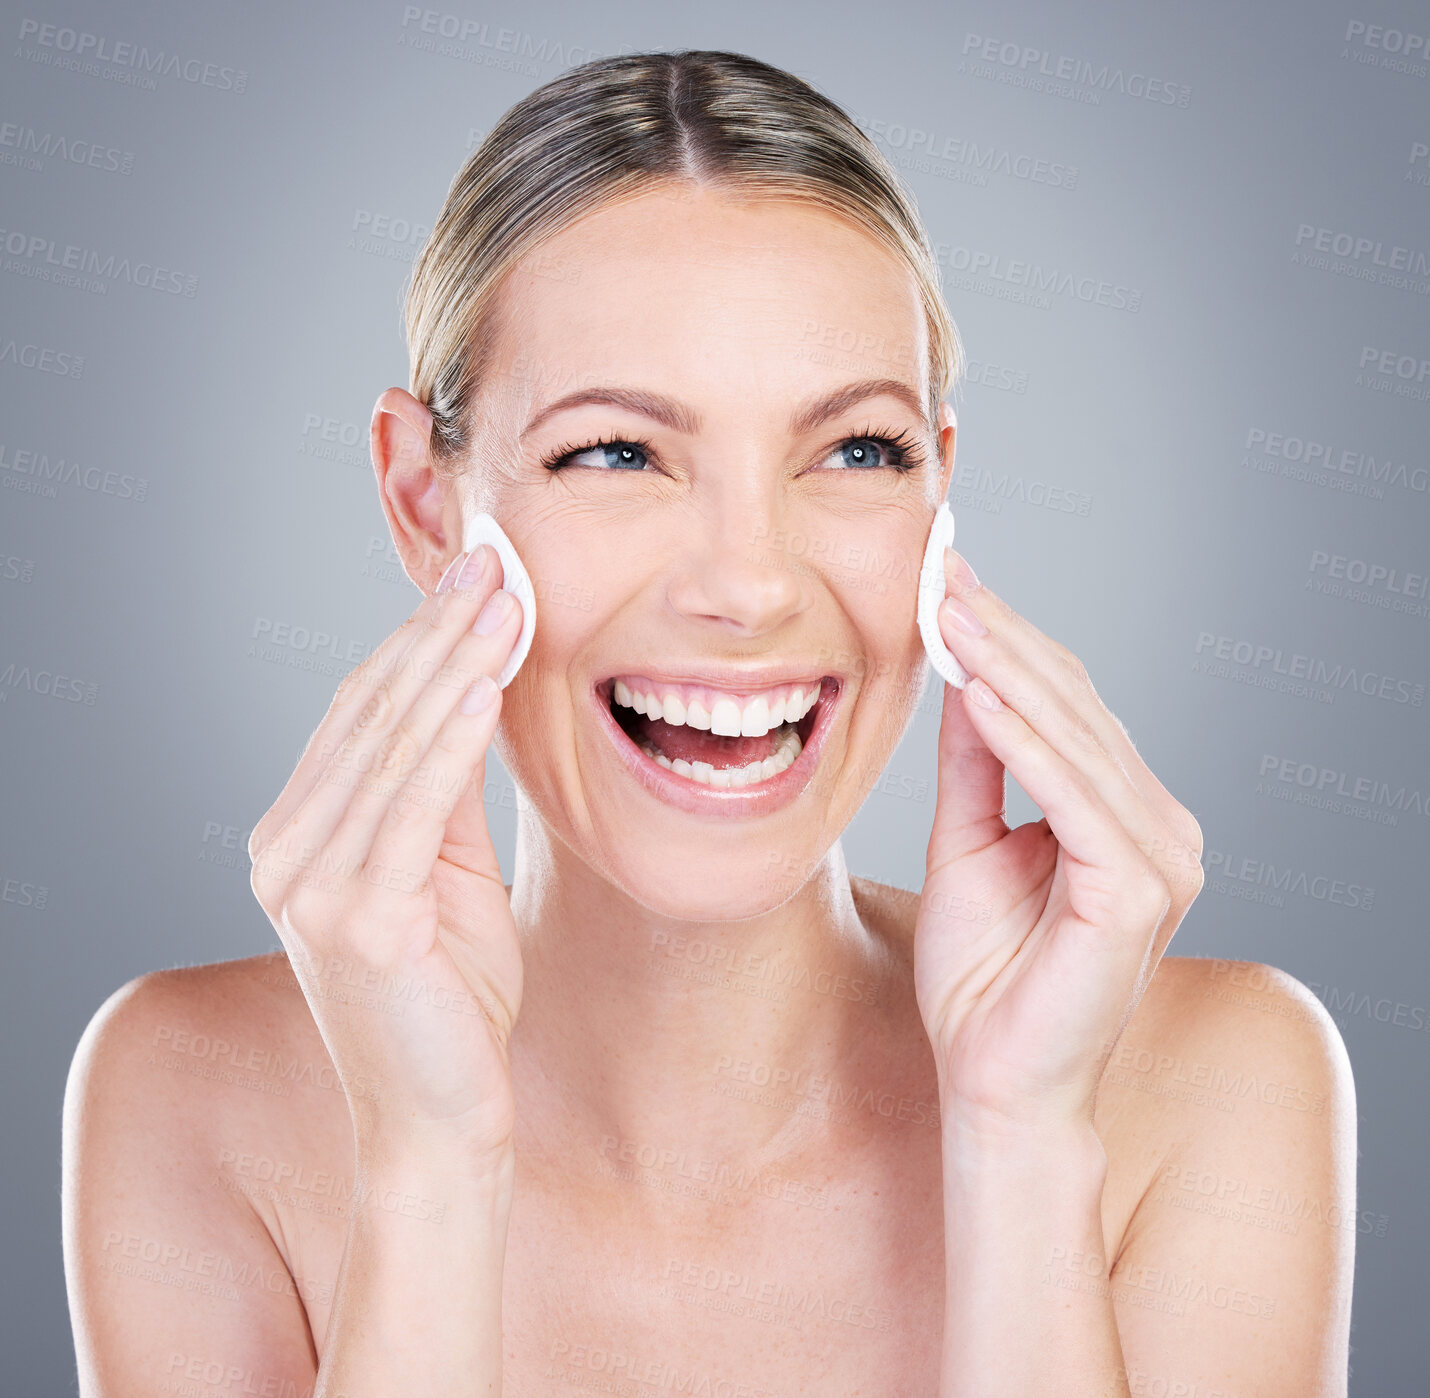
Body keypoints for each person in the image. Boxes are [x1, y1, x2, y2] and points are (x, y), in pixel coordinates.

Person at [61, 49, 1354, 1396]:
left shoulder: (1215, 1079)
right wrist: (429, 1165)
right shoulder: (189, 1092)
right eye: (613, 452)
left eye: (857, 450)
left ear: (939, 491)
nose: (748, 584)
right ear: (421, 502)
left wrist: (1022, 1142)